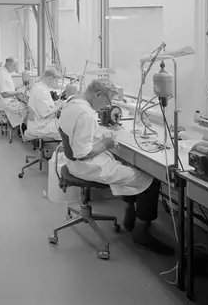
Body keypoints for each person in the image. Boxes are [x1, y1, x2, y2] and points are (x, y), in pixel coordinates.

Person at [58, 77, 174, 256]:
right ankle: (141, 233)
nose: (107, 106)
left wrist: (101, 140)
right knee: (150, 179)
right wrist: (105, 144)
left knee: (128, 166)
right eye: (107, 101)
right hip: (87, 166)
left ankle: (130, 211)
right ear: (98, 94)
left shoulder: (71, 102)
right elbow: (82, 153)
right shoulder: (86, 114)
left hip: (72, 164)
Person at [26, 67, 63, 139]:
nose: (57, 84)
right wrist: (59, 106)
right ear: (50, 79)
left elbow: (42, 104)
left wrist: (54, 103)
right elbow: (45, 114)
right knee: (68, 128)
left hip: (36, 123)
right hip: (41, 127)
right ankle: (64, 146)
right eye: (56, 81)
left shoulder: (37, 86)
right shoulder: (42, 91)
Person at [0, 57, 27, 129]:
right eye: (15, 66)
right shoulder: (2, 75)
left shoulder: (5, 73)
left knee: (24, 105)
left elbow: (7, 88)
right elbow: (4, 94)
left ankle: (21, 127)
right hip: (6, 102)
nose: (16, 68)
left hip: (4, 100)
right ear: (8, 64)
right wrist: (18, 92)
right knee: (28, 108)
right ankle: (23, 129)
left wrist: (18, 88)